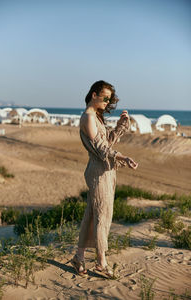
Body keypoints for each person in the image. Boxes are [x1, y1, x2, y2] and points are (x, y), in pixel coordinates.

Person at [71, 80, 138, 278]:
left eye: (110, 99)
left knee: (92, 215)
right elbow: (102, 150)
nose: (107, 102)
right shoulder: (89, 118)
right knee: (103, 216)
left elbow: (107, 141)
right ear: (94, 95)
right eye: (105, 98)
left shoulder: (96, 118)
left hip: (106, 170)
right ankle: (101, 262)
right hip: (99, 172)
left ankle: (79, 257)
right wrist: (123, 157)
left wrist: (121, 124)